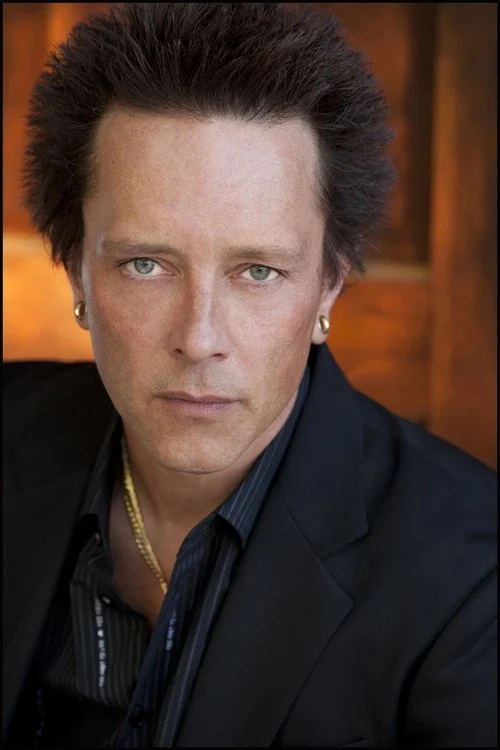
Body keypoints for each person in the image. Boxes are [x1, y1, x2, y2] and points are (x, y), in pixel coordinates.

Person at [3, 3, 496, 747]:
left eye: (258, 271)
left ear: (329, 283)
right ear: (76, 271)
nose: (199, 339)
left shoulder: (472, 573)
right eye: (146, 264)